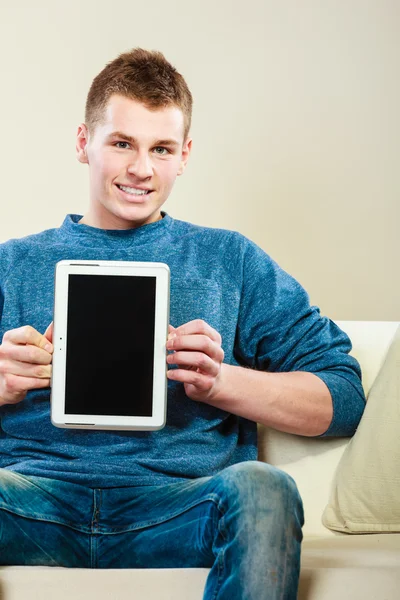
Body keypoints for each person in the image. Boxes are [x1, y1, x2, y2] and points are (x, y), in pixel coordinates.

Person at [0, 48, 365, 599]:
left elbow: (343, 397)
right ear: (84, 143)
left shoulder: (230, 260)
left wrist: (222, 382)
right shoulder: (12, 264)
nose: (142, 168)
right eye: (122, 143)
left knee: (265, 487)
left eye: (161, 148)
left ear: (184, 155)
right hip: (31, 501)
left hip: (180, 508)